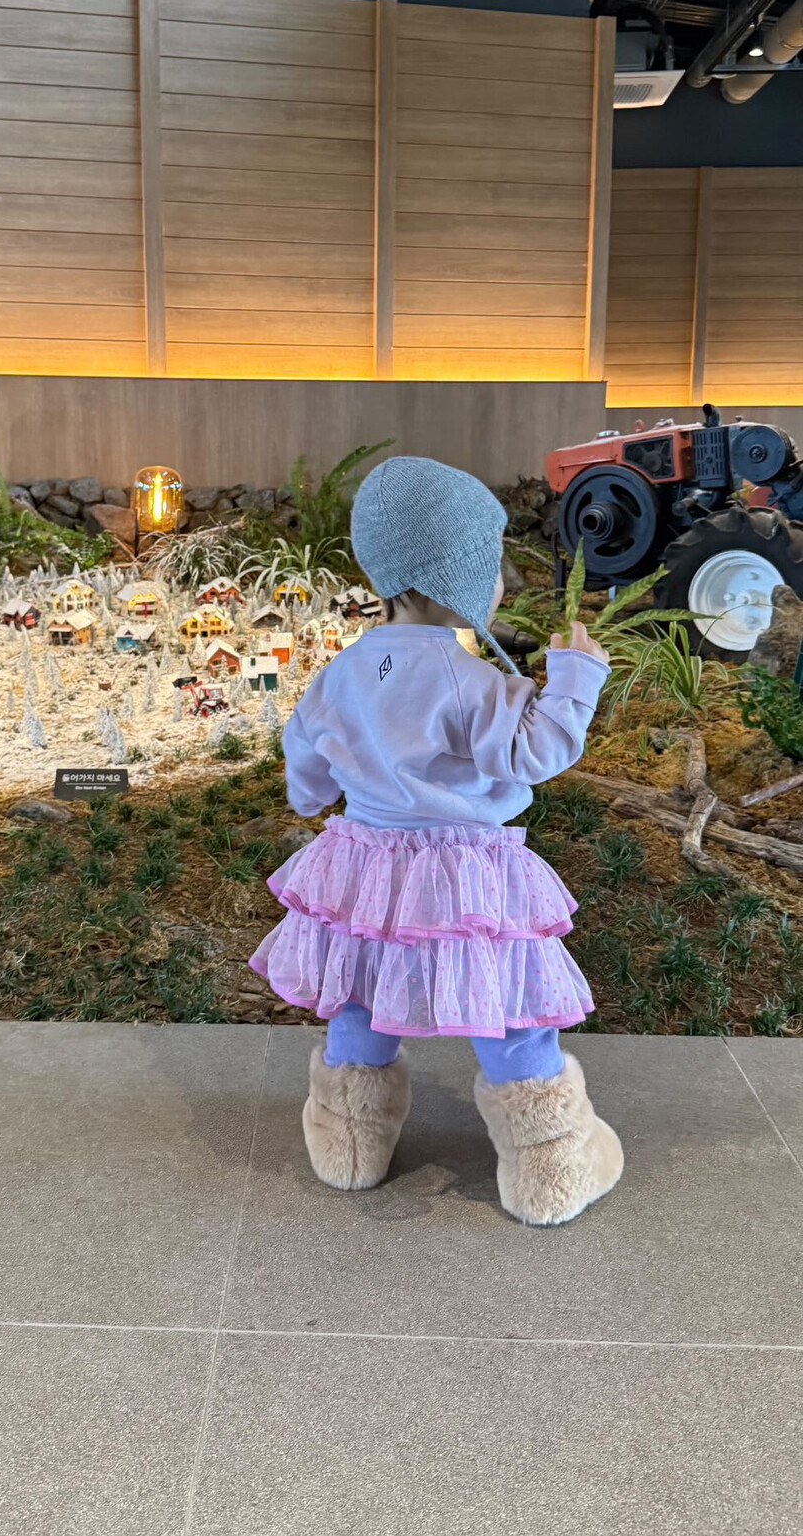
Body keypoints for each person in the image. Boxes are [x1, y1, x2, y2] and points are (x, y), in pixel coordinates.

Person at [249, 455, 623, 1227]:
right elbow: (535, 751)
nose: (499, 584)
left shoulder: (344, 670)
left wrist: (312, 797)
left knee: (361, 996)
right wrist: (577, 676)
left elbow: (306, 752)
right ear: (449, 574)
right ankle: (549, 1164)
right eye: (489, 564)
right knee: (510, 1010)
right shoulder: (467, 678)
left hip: (366, 865)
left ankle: (350, 1144)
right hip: (465, 874)